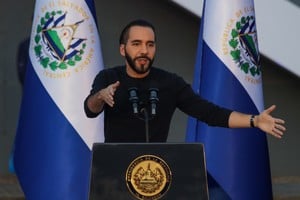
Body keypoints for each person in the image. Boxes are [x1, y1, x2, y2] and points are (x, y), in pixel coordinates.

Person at [84, 19, 286, 143]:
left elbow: (210, 113)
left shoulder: (169, 83)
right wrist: (101, 96)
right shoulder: (109, 77)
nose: (144, 51)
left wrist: (254, 120)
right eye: (136, 44)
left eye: (150, 44)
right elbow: (90, 110)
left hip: (156, 170)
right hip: (113, 171)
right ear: (122, 49)